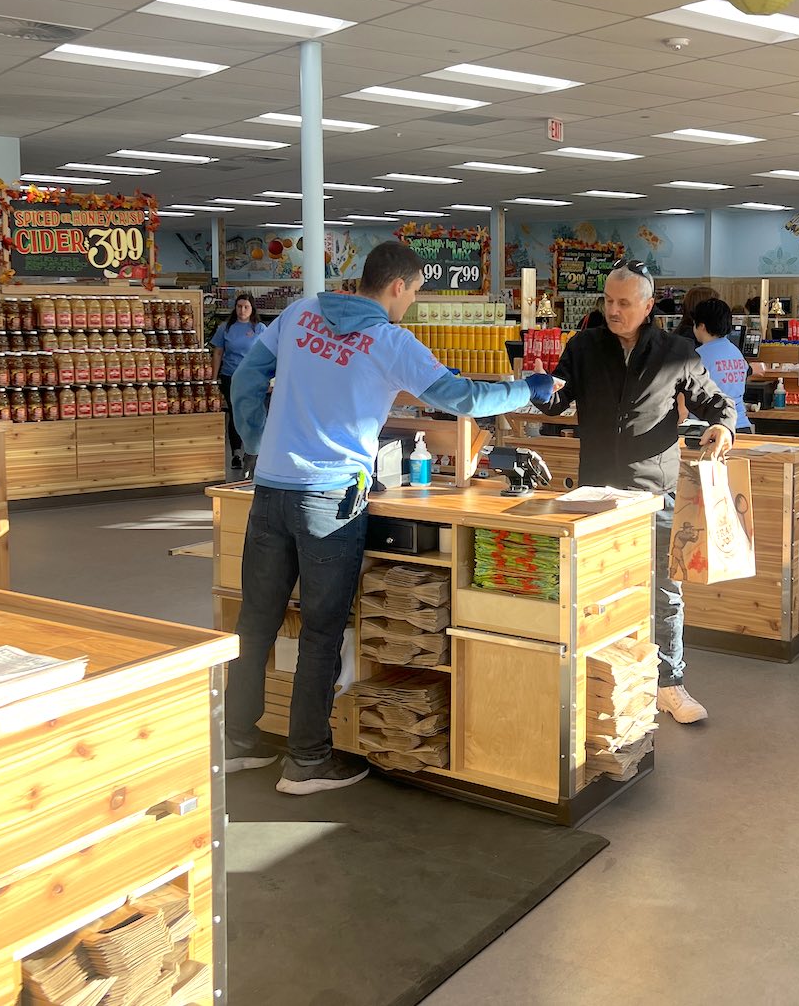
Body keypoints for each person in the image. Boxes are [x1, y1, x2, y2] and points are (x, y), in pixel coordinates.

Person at [223, 242, 555, 795]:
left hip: (271, 490)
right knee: (322, 631)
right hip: (328, 501)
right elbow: (463, 399)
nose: (413, 302)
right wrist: (530, 388)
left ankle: (236, 741)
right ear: (399, 286)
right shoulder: (389, 341)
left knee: (255, 623)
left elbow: (245, 378)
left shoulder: (301, 313)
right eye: (417, 291)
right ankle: (306, 760)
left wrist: (260, 438)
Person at [533, 259, 736, 725]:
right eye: (608, 300)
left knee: (665, 592)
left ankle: (670, 685)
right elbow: (558, 401)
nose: (613, 310)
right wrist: (542, 387)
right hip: (596, 492)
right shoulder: (583, 345)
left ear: (647, 306)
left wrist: (723, 428)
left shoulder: (677, 351)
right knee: (594, 589)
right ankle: (601, 681)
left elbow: (715, 402)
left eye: (624, 303)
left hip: (654, 492)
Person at [693, 297, 765, 434]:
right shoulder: (735, 351)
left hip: (712, 429)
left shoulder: (697, 356)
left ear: (701, 326)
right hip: (742, 424)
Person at [211, 293, 264, 469]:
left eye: (246, 307)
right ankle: (236, 453)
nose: (242, 310)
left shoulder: (260, 328)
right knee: (235, 414)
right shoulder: (225, 328)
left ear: (252, 309)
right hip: (230, 376)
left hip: (252, 378)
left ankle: (253, 452)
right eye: (239, 306)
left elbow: (267, 354)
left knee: (251, 414)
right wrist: (213, 377)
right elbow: (218, 352)